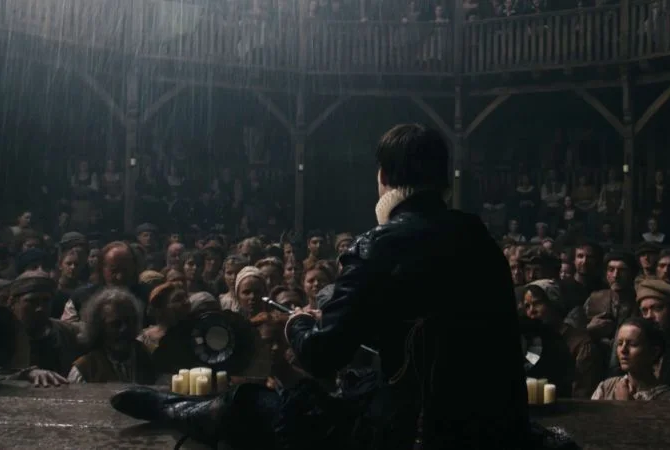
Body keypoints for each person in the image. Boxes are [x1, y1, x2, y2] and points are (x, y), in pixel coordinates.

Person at [110, 124, 579, 450]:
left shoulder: (378, 245)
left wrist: (298, 325)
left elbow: (321, 357)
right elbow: (436, 331)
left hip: (414, 433)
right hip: (492, 425)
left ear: (384, 179)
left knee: (250, 405)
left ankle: (183, 411)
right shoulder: (478, 238)